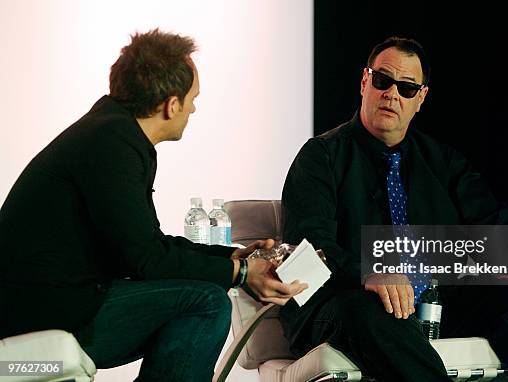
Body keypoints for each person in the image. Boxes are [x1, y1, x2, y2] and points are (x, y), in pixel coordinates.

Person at [279, 36, 508, 381]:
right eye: (382, 81)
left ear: (420, 98)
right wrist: (368, 274)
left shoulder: (443, 163)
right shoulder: (320, 157)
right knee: (370, 310)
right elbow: (306, 247)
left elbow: (496, 225)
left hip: (433, 304)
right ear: (365, 82)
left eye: (407, 88)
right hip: (340, 304)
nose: (392, 94)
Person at [0, 29, 306, 382]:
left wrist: (231, 258)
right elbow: (145, 259)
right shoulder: (112, 145)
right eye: (192, 98)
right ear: (171, 104)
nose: (194, 108)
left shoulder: (113, 133)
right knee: (206, 303)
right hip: (47, 313)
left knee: (203, 297)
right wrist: (239, 276)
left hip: (62, 301)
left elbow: (147, 245)